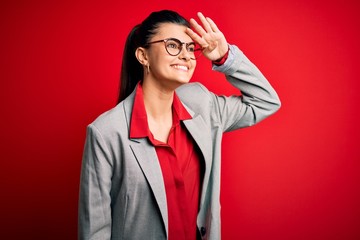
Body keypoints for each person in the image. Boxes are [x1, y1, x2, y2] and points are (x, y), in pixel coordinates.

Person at [78, 10, 281, 240]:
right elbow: (94, 232)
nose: (186, 55)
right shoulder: (106, 133)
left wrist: (224, 58)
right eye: (173, 45)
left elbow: (266, 102)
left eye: (190, 48)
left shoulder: (203, 104)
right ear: (143, 56)